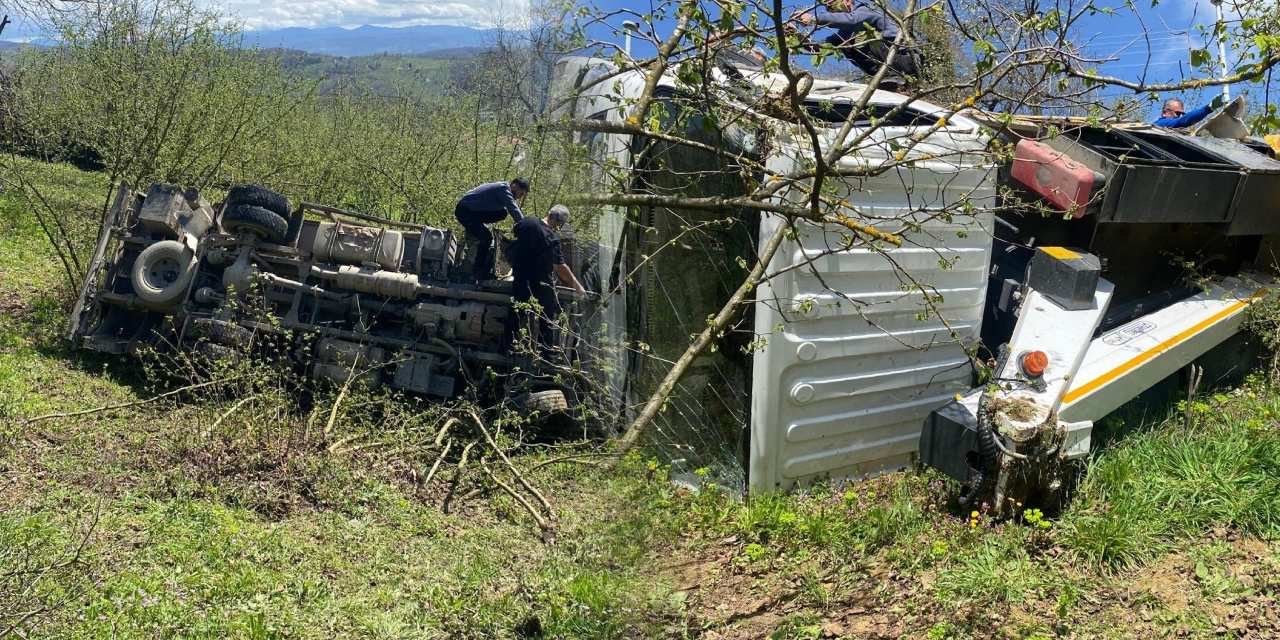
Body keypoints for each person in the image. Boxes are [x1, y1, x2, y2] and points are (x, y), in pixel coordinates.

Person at [505, 204, 586, 356]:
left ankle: (507, 347)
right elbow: (561, 268)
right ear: (557, 221)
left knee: (516, 312)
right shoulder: (551, 238)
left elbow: (515, 235)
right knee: (547, 316)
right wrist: (578, 287)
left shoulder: (527, 221)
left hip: (520, 277)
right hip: (540, 282)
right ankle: (545, 354)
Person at [796, 0, 921, 89]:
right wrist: (797, 36)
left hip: (907, 60)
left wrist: (813, 19)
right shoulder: (846, 33)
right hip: (891, 64)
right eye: (829, 9)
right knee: (847, 46)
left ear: (847, 1)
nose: (831, 10)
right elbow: (821, 49)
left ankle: (894, 77)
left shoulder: (865, 11)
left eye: (832, 5)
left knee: (865, 38)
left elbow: (852, 20)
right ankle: (888, 79)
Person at [454, 178, 530, 283]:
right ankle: (477, 272)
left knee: (502, 213)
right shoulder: (503, 189)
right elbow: (513, 209)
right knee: (486, 238)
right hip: (465, 211)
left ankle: (478, 227)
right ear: (515, 186)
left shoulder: (502, 187)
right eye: (520, 194)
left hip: (472, 212)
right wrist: (527, 227)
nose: (519, 197)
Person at [1153, 95, 1225, 128]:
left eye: (1182, 114)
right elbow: (1182, 121)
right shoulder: (1159, 124)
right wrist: (1208, 108)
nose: (1180, 116)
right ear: (1164, 113)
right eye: (1177, 113)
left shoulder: (1173, 130)